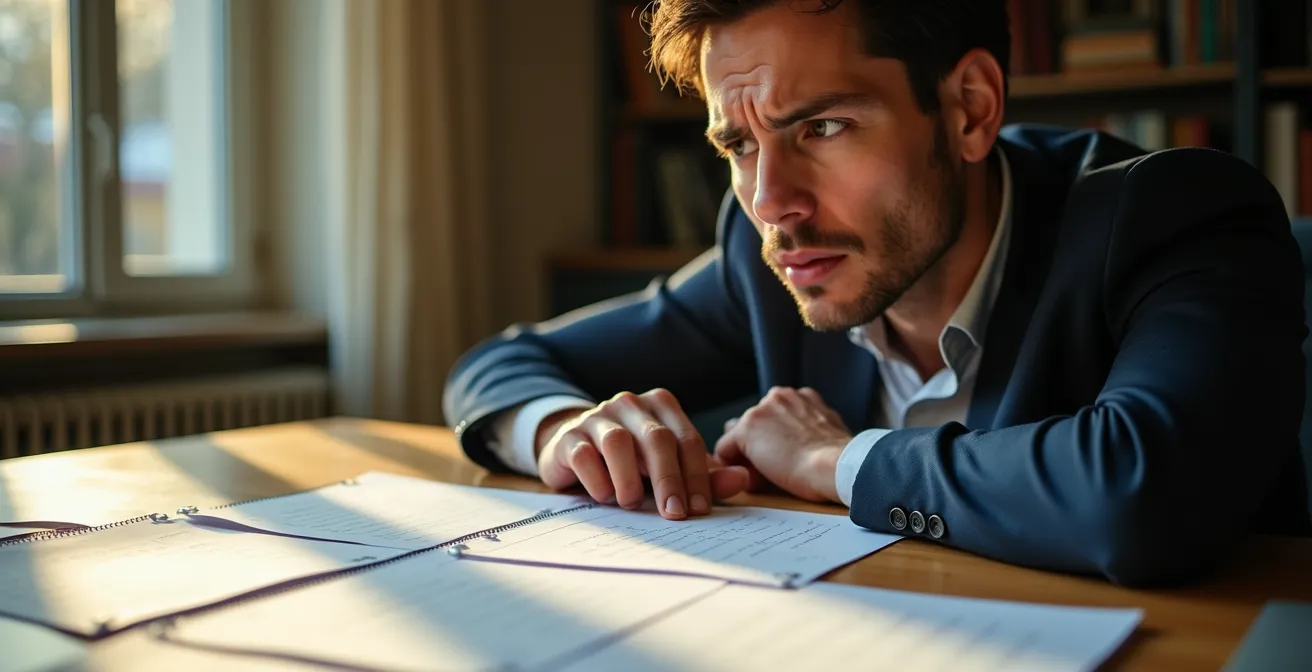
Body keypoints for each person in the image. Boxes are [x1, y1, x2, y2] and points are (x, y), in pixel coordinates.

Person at [443, 0, 1311, 585]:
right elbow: (504, 362)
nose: (771, 201)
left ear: (970, 109)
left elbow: (1141, 493)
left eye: (821, 127)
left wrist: (835, 459)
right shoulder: (767, 255)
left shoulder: (1173, 215)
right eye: (739, 146)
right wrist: (563, 430)